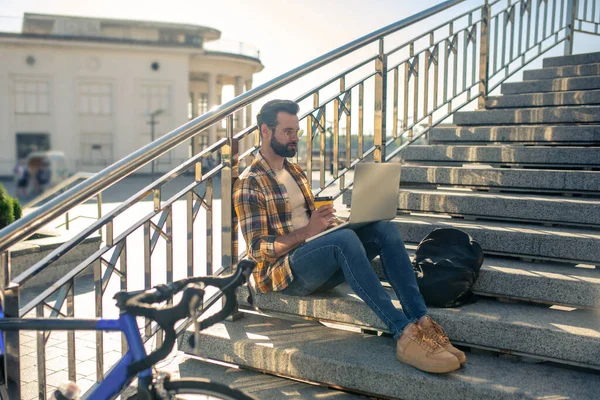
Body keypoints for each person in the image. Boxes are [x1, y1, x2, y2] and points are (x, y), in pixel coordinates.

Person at [233, 99, 466, 374]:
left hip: (315, 260)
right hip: (282, 275)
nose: (295, 138)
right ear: (265, 131)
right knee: (342, 242)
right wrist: (308, 231)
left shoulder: (295, 172)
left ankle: (422, 322)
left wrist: (342, 224)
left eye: (297, 131)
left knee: (384, 229)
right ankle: (404, 333)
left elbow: (310, 223)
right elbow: (258, 249)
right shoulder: (249, 181)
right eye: (288, 132)